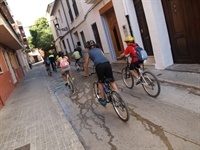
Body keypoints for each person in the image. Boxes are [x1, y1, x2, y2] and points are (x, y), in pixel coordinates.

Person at [84, 40, 118, 106]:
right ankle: (118, 96)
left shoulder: (89, 52)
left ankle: (103, 99)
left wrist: (86, 73)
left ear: (88, 47)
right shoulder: (99, 49)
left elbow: (86, 64)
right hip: (107, 64)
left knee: (100, 82)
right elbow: (103, 57)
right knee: (111, 81)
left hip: (99, 66)